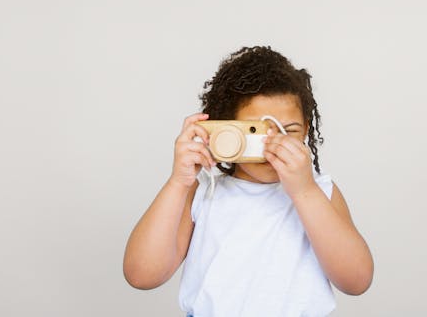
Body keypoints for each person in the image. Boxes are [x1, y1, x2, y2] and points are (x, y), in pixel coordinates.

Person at [123, 46, 374, 316]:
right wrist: (177, 182)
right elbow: (141, 275)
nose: (272, 143)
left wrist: (304, 192)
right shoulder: (205, 191)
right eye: (255, 131)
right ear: (225, 129)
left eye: (288, 131)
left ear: (306, 130)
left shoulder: (319, 192)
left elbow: (357, 281)